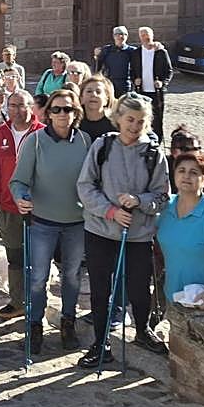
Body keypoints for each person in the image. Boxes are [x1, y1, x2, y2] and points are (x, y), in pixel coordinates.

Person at [76, 93, 170, 368]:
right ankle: (100, 341)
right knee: (101, 289)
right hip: (101, 231)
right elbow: (85, 186)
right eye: (130, 119)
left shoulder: (154, 154)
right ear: (118, 118)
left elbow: (162, 196)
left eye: (141, 121)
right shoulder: (102, 146)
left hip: (138, 234)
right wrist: (111, 211)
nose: (134, 126)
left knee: (140, 287)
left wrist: (141, 201)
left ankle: (142, 330)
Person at [9, 87, 91, 353]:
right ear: (48, 113)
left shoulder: (85, 141)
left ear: (76, 112)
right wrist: (21, 196)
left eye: (67, 109)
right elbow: (19, 180)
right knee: (38, 278)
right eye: (56, 109)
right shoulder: (35, 141)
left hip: (76, 221)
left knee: (72, 276)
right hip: (42, 221)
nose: (62, 114)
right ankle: (34, 326)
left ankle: (68, 323)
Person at [0, 90, 44, 319]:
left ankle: (37, 301)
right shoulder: (1, 132)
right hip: (8, 207)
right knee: (15, 257)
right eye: (12, 105)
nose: (17, 110)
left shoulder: (42, 133)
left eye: (22, 105)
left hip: (37, 208)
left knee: (38, 257)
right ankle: (18, 300)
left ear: (31, 107)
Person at [157, 151, 204, 309]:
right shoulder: (164, 207)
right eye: (181, 170)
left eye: (194, 172)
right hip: (173, 296)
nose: (186, 176)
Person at [130, 26, 173, 142]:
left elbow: (169, 71)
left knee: (157, 118)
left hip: (157, 92)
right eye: (143, 35)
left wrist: (162, 83)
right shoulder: (136, 53)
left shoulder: (161, 52)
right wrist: (134, 80)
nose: (146, 37)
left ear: (152, 36)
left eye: (147, 35)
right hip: (141, 91)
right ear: (140, 37)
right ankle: (143, 138)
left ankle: (157, 141)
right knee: (142, 116)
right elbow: (132, 71)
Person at [94, 26, 136, 95]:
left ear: (127, 36)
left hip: (126, 84)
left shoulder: (132, 51)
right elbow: (99, 66)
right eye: (117, 34)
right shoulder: (106, 50)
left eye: (123, 34)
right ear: (114, 36)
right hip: (110, 83)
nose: (120, 36)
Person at [79, 75, 117, 141]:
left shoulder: (115, 124)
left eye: (98, 92)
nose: (93, 94)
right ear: (81, 97)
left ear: (106, 99)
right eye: (89, 91)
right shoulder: (74, 122)